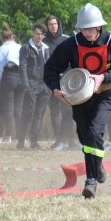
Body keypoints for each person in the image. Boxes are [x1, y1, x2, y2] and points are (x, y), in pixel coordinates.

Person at [44, 3, 111, 199]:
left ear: (99, 27)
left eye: (91, 29)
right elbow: (50, 68)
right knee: (85, 139)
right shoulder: (70, 44)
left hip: (103, 96)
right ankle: (98, 165)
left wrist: (104, 77)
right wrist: (56, 89)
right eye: (83, 29)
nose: (88, 33)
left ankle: (91, 180)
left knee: (94, 132)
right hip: (79, 101)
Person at [17, 23, 51, 150]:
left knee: (39, 115)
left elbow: (49, 67)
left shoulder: (45, 48)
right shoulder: (25, 48)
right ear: (33, 33)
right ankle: (20, 142)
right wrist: (26, 85)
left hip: (43, 86)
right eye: (37, 33)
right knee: (28, 114)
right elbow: (22, 67)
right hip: (31, 84)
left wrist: (49, 85)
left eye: (42, 34)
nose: (39, 36)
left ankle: (34, 142)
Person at [44, 15, 74, 150]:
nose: (53, 26)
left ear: (58, 24)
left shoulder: (66, 40)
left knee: (69, 111)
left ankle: (71, 140)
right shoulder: (43, 42)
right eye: (50, 24)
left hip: (66, 80)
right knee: (55, 111)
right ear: (47, 26)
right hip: (51, 80)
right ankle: (59, 140)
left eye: (55, 24)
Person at [0, 25, 23, 143]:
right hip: (21, 76)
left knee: (8, 109)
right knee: (19, 109)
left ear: (2, 38)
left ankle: (8, 136)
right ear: (12, 37)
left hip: (8, 76)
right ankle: (22, 135)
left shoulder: (0, 49)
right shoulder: (20, 47)